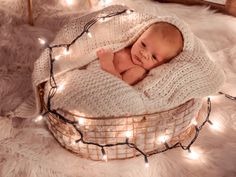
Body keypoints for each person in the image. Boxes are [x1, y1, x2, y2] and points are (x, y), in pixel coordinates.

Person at [96, 22, 183, 85]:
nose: (144, 54)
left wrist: (107, 62)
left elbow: (118, 86)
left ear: (162, 64)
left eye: (154, 57)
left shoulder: (138, 71)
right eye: (143, 44)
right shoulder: (127, 46)